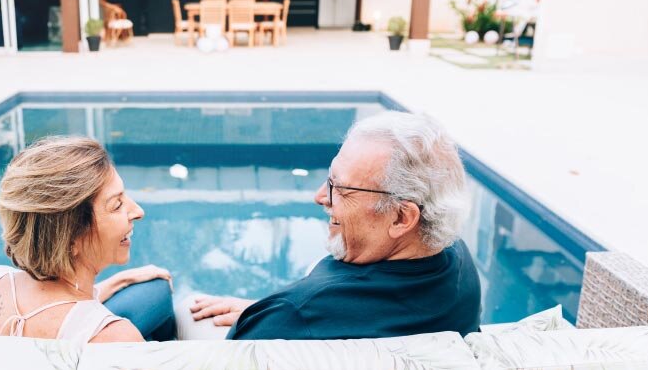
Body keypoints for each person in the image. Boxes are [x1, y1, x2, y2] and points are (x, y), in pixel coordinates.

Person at [185, 112, 482, 340]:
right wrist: (266, 308)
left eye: (341, 188)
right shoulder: (458, 263)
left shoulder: (297, 316)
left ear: (402, 218)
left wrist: (278, 315)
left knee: (183, 308)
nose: (319, 197)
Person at [0, 136, 176, 342]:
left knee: (155, 287)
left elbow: (57, 312)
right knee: (158, 298)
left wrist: (122, 280)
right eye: (117, 205)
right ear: (71, 237)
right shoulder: (115, 337)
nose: (138, 211)